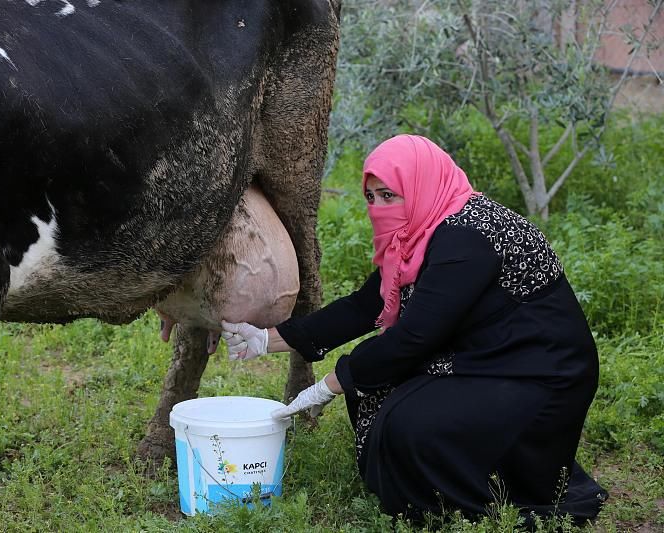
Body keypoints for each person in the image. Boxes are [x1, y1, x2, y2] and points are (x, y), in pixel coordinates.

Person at [220, 134, 607, 523]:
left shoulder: (466, 237)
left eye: (389, 195)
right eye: (371, 197)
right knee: (378, 392)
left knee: (410, 426)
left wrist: (333, 382)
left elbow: (416, 337)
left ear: (421, 184)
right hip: (486, 353)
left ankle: (464, 506)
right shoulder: (423, 230)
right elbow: (365, 305)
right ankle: (424, 489)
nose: (377, 208)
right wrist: (265, 340)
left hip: (539, 371)